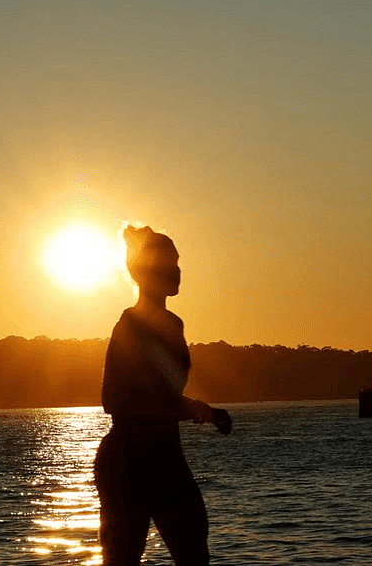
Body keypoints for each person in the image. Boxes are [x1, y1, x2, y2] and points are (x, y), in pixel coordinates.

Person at [94, 225, 232, 566]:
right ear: (147, 272)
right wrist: (202, 411)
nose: (178, 271)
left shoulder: (174, 324)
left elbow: (164, 394)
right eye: (170, 263)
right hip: (129, 462)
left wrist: (202, 412)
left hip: (167, 457)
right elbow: (115, 401)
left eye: (178, 262)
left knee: (195, 557)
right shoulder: (130, 326)